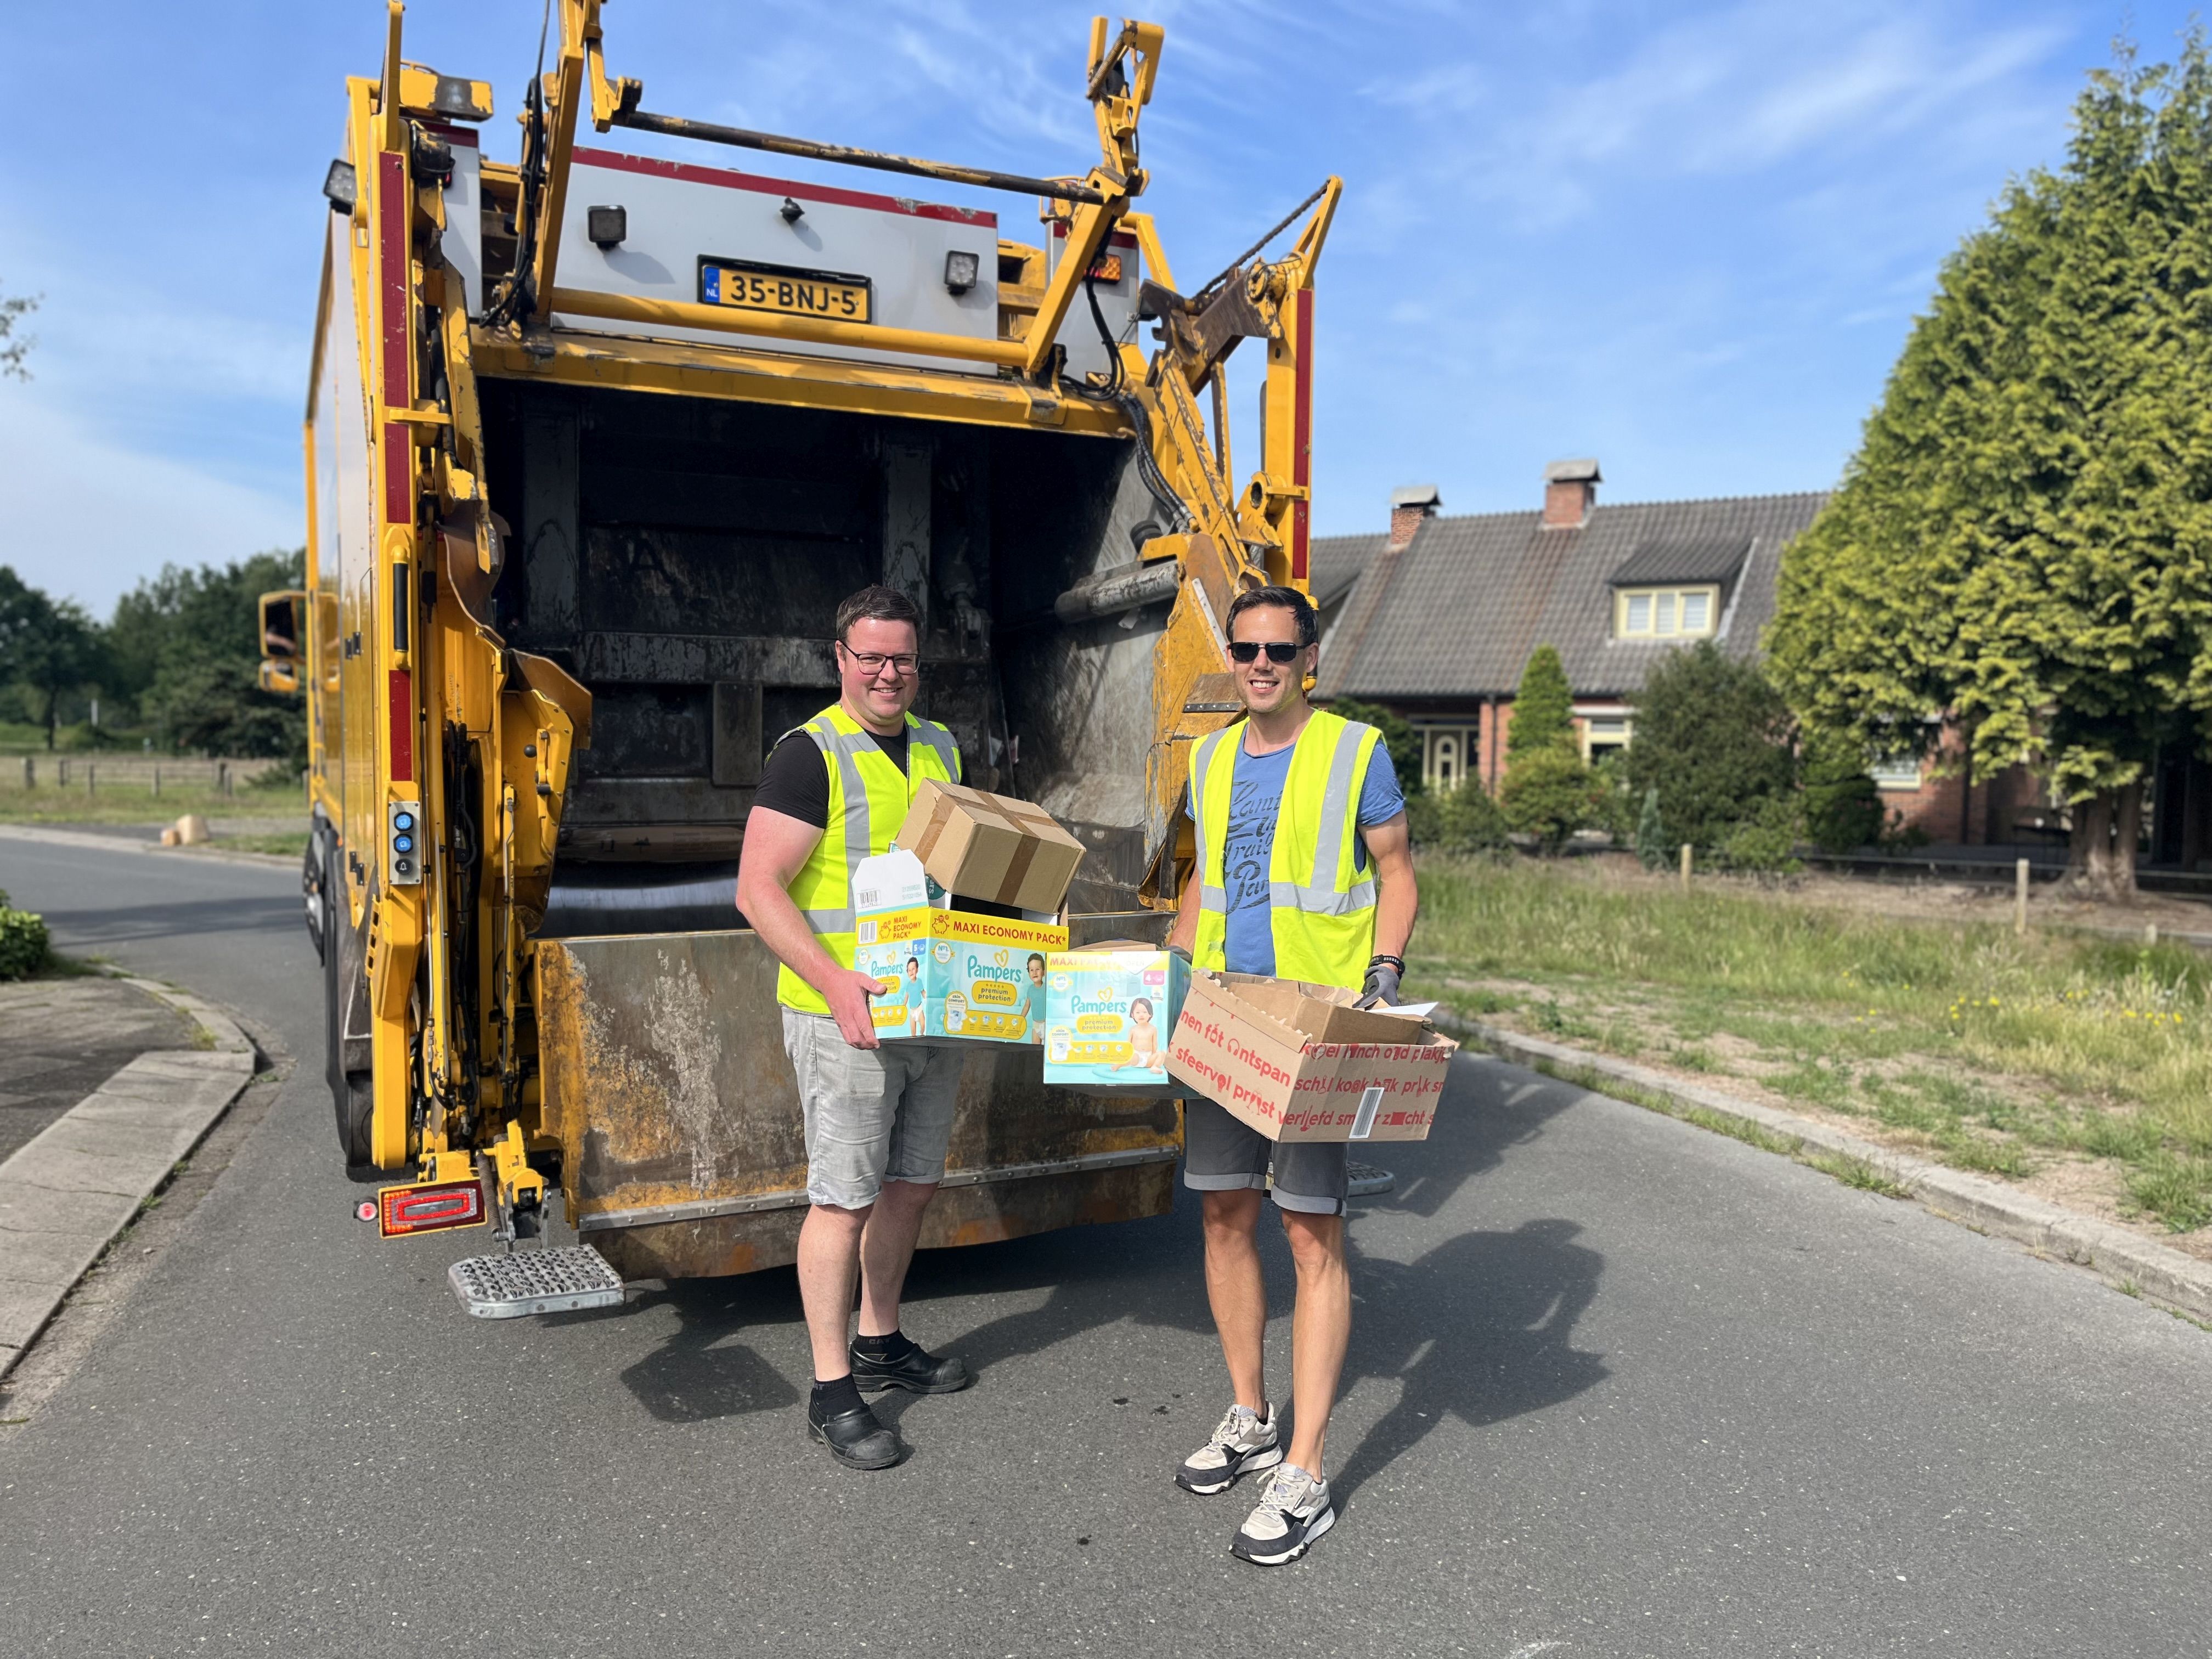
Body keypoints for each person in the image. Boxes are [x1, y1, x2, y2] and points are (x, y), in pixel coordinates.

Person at [1163, 583, 1417, 1565]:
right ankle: (1251, 1418)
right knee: (1225, 1215)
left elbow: (1396, 871)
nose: (1261, 665)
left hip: (1310, 1027)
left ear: (1311, 658)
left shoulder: (1356, 751)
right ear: (1231, 657)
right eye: (1246, 650)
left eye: (1279, 650)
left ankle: (1305, 1472)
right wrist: (1168, 977)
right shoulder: (1212, 757)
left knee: (1311, 1234)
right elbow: (1204, 878)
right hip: (1225, 1018)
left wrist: (1385, 971)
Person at [735, 585, 975, 1472]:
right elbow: (757, 888)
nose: (888, 673)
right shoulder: (811, 755)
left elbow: (961, 870)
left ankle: (880, 1340)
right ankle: (833, 1390)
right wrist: (834, 982)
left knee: (911, 1186)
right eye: (870, 657)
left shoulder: (941, 746)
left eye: (902, 658)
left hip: (929, 1009)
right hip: (845, 1017)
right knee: (843, 1201)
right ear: (840, 657)